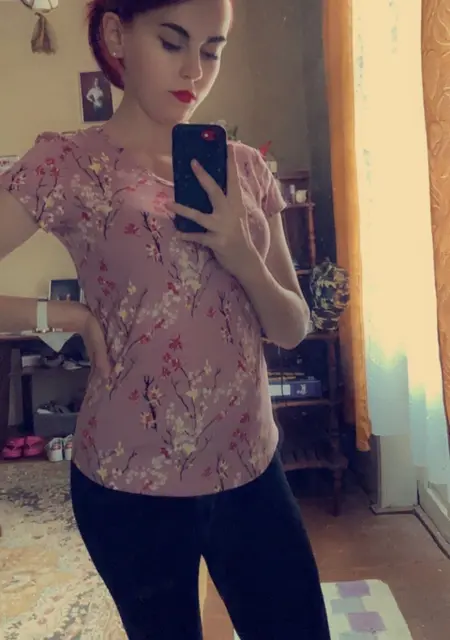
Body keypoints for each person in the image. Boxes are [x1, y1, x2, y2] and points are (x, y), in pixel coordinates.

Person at [0, 0, 331, 638]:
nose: (195, 71)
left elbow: (292, 327)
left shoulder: (245, 169)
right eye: (173, 42)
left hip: (249, 467)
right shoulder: (67, 164)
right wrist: (64, 313)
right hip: (129, 482)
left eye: (212, 50)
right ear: (117, 34)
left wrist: (241, 252)